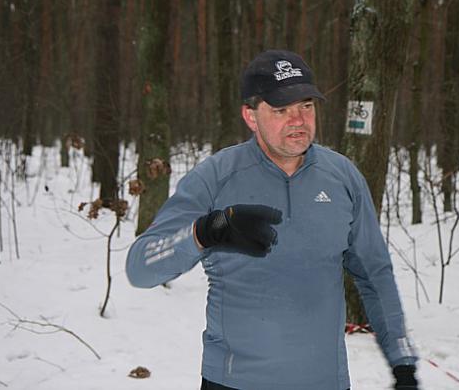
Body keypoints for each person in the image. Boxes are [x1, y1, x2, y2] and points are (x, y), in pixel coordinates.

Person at [126, 49, 419, 390]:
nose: (298, 120)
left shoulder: (342, 176)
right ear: (250, 116)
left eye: (306, 106)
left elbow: (375, 273)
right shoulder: (215, 178)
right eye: (281, 110)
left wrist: (402, 363)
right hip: (233, 382)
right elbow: (140, 266)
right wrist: (204, 232)